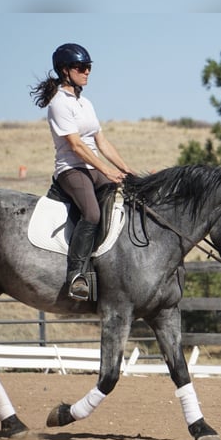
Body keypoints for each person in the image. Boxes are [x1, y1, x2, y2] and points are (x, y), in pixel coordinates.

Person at [31, 43, 135, 301]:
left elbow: (101, 142)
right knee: (91, 212)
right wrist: (107, 171)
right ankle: (75, 275)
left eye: (89, 67)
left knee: (123, 199)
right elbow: (76, 146)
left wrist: (125, 169)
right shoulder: (59, 103)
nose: (87, 71)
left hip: (92, 166)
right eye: (81, 67)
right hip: (71, 169)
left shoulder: (85, 102)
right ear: (65, 70)